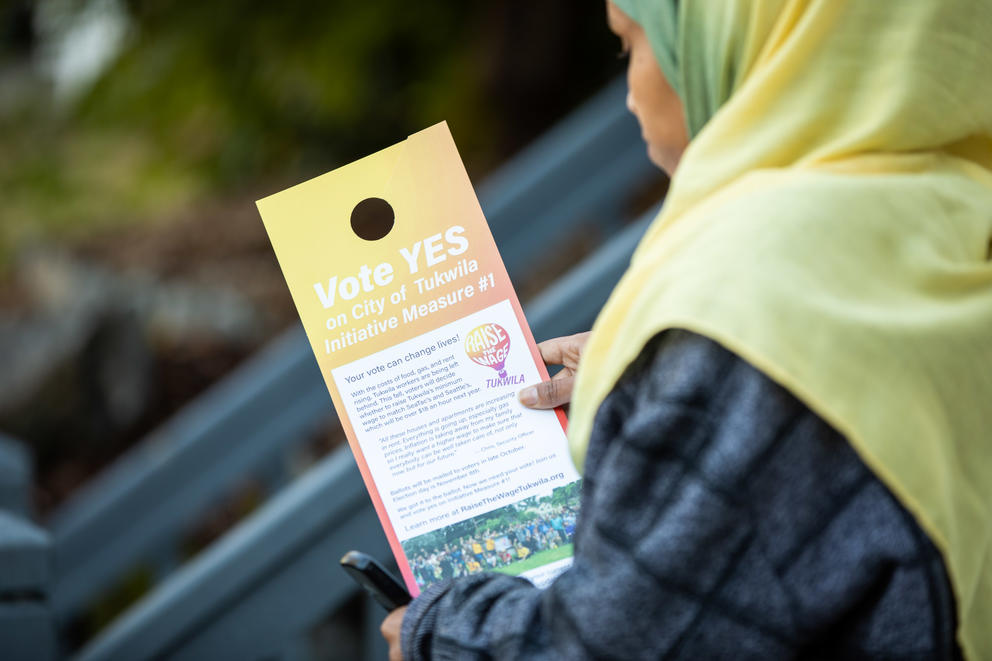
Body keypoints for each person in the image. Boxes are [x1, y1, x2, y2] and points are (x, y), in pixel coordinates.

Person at [382, 0, 992, 658]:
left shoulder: (754, 292)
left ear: (729, 35)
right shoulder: (954, 215)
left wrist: (439, 633)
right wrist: (665, 383)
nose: (628, 92)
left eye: (630, 44)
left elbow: (610, 643)